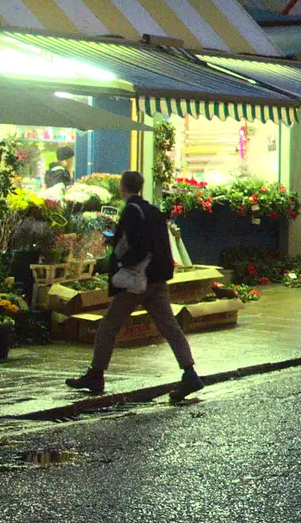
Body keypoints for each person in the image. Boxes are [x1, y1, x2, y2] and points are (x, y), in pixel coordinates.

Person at [65, 170, 202, 399]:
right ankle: (189, 373)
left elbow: (132, 244)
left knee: (109, 326)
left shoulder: (131, 211)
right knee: (170, 327)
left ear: (122, 186)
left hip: (137, 281)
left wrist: (120, 263)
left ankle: (96, 374)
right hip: (157, 280)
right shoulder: (153, 210)